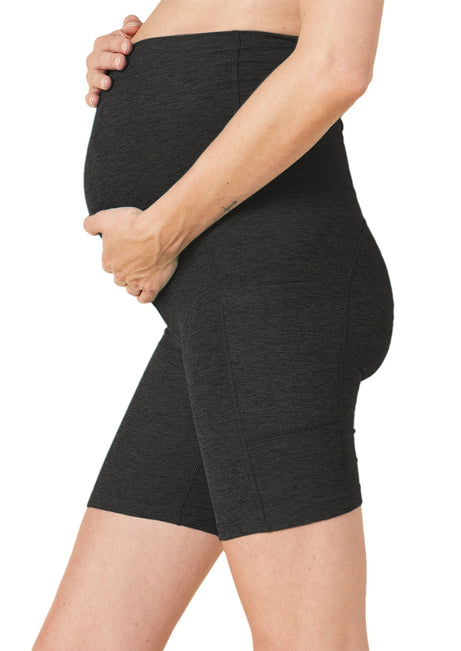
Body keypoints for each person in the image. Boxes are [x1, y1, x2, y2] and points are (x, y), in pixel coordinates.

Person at [33, 1, 394, 649]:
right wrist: (145, 57)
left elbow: (336, 66)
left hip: (272, 293)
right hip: (228, 308)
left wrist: (160, 230)